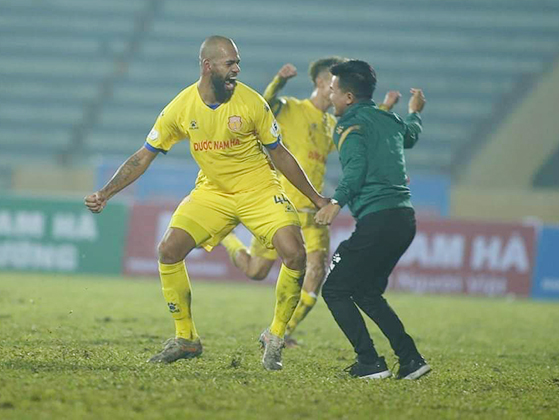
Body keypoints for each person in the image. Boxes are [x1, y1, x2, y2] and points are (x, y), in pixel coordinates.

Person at [84, 36, 329, 371]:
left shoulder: (252, 102)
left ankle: (275, 336)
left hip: (259, 189)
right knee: (168, 251)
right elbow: (143, 157)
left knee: (295, 254)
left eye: (237, 62)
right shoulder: (181, 107)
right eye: (230, 64)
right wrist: (106, 192)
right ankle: (186, 339)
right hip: (212, 193)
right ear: (208, 66)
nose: (237, 70)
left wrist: (316, 198)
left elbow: (280, 154)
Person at [220, 59, 403, 347]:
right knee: (256, 271)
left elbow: (357, 133)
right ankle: (227, 238)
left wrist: (385, 110)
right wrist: (278, 81)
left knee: (317, 272)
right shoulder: (291, 108)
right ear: (322, 83)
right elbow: (262, 105)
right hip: (279, 206)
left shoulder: (333, 124)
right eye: (335, 82)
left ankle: (280, 334)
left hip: (313, 211)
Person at [314, 60, 430, 380]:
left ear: (348, 97)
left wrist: (335, 203)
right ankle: (410, 360)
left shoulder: (348, 125)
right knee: (365, 292)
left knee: (335, 290)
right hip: (404, 220)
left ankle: (369, 362)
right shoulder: (388, 117)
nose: (329, 94)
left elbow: (356, 169)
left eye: (333, 90)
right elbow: (409, 136)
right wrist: (415, 111)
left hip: (377, 219)